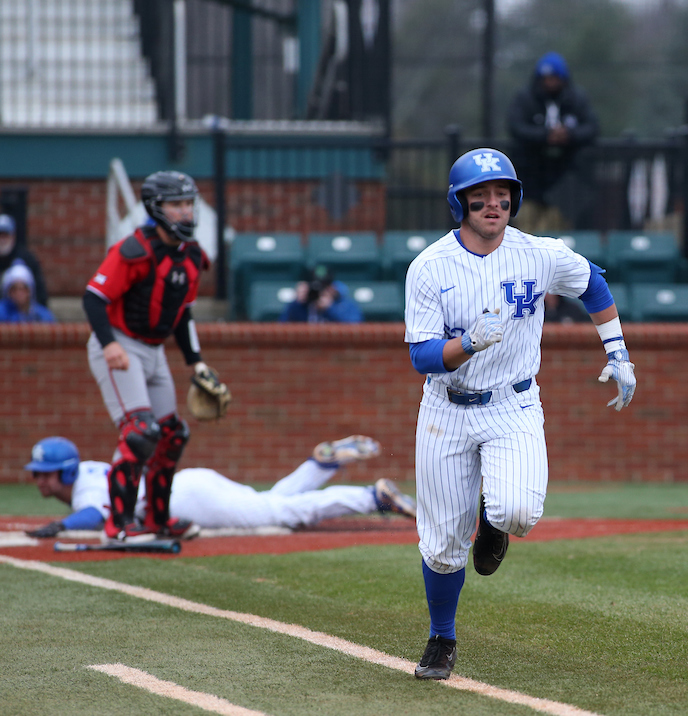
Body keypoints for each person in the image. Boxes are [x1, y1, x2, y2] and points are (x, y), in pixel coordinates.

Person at [403, 147, 636, 680]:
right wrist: (465, 345)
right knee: (441, 546)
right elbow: (421, 357)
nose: (492, 205)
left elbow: (592, 283)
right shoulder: (430, 266)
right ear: (459, 204)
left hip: (514, 402)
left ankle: (491, 521)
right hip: (448, 408)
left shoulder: (538, 253)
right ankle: (442, 637)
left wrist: (617, 351)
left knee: (518, 514)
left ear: (515, 201)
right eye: (480, 197)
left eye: (501, 197)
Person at [82, 170, 225, 543]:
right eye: (175, 205)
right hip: (118, 343)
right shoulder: (134, 248)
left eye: (187, 204)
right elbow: (93, 298)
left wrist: (196, 362)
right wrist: (109, 344)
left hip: (154, 349)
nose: (184, 212)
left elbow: (183, 312)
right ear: (155, 208)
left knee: (172, 434)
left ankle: (156, 519)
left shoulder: (192, 257)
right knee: (140, 432)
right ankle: (117, 526)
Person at [22, 435, 415, 539]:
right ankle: (319, 466)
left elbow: (94, 514)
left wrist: (61, 526)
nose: (39, 478)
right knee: (268, 502)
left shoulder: (84, 490)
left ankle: (370, 496)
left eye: (45, 472)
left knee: (283, 515)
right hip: (190, 485)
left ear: (66, 472)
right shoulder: (90, 470)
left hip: (190, 500)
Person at [506, 51, 599, 233]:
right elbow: (515, 127)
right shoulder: (525, 98)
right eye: (546, 78)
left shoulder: (577, 98)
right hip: (529, 177)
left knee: (555, 234)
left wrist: (568, 135)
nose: (550, 83)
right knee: (526, 231)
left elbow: (592, 127)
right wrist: (545, 135)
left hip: (566, 178)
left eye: (554, 78)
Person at [280, 265, 362, 323]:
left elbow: (356, 330)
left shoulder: (345, 305)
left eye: (324, 286)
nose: (319, 290)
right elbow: (281, 327)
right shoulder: (300, 305)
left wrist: (330, 309)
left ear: (332, 287)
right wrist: (296, 304)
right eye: (315, 286)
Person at [0, 213, 49, 308]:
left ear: (13, 236)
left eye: (5, 235)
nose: (2, 240)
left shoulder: (26, 259)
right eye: (0, 235)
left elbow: (40, 292)